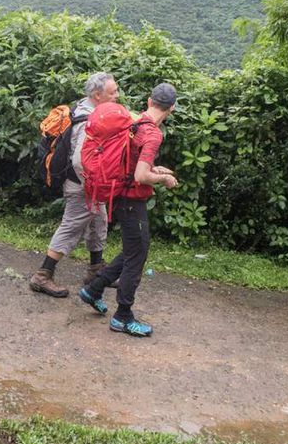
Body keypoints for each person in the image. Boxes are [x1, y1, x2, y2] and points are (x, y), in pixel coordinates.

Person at [78, 83, 179, 337]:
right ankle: (123, 317)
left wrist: (157, 170)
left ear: (149, 101)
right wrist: (163, 179)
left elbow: (132, 165)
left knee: (132, 249)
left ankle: (94, 289)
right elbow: (140, 175)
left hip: (120, 194)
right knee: (138, 254)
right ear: (172, 108)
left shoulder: (135, 123)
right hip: (133, 201)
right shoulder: (154, 134)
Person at [30, 72, 119, 297]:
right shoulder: (87, 121)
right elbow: (80, 161)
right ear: (97, 95)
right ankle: (42, 276)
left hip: (90, 185)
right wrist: (91, 184)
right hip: (82, 185)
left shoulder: (89, 109)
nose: (117, 95)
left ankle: (95, 270)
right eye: (113, 92)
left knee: (98, 223)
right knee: (71, 227)